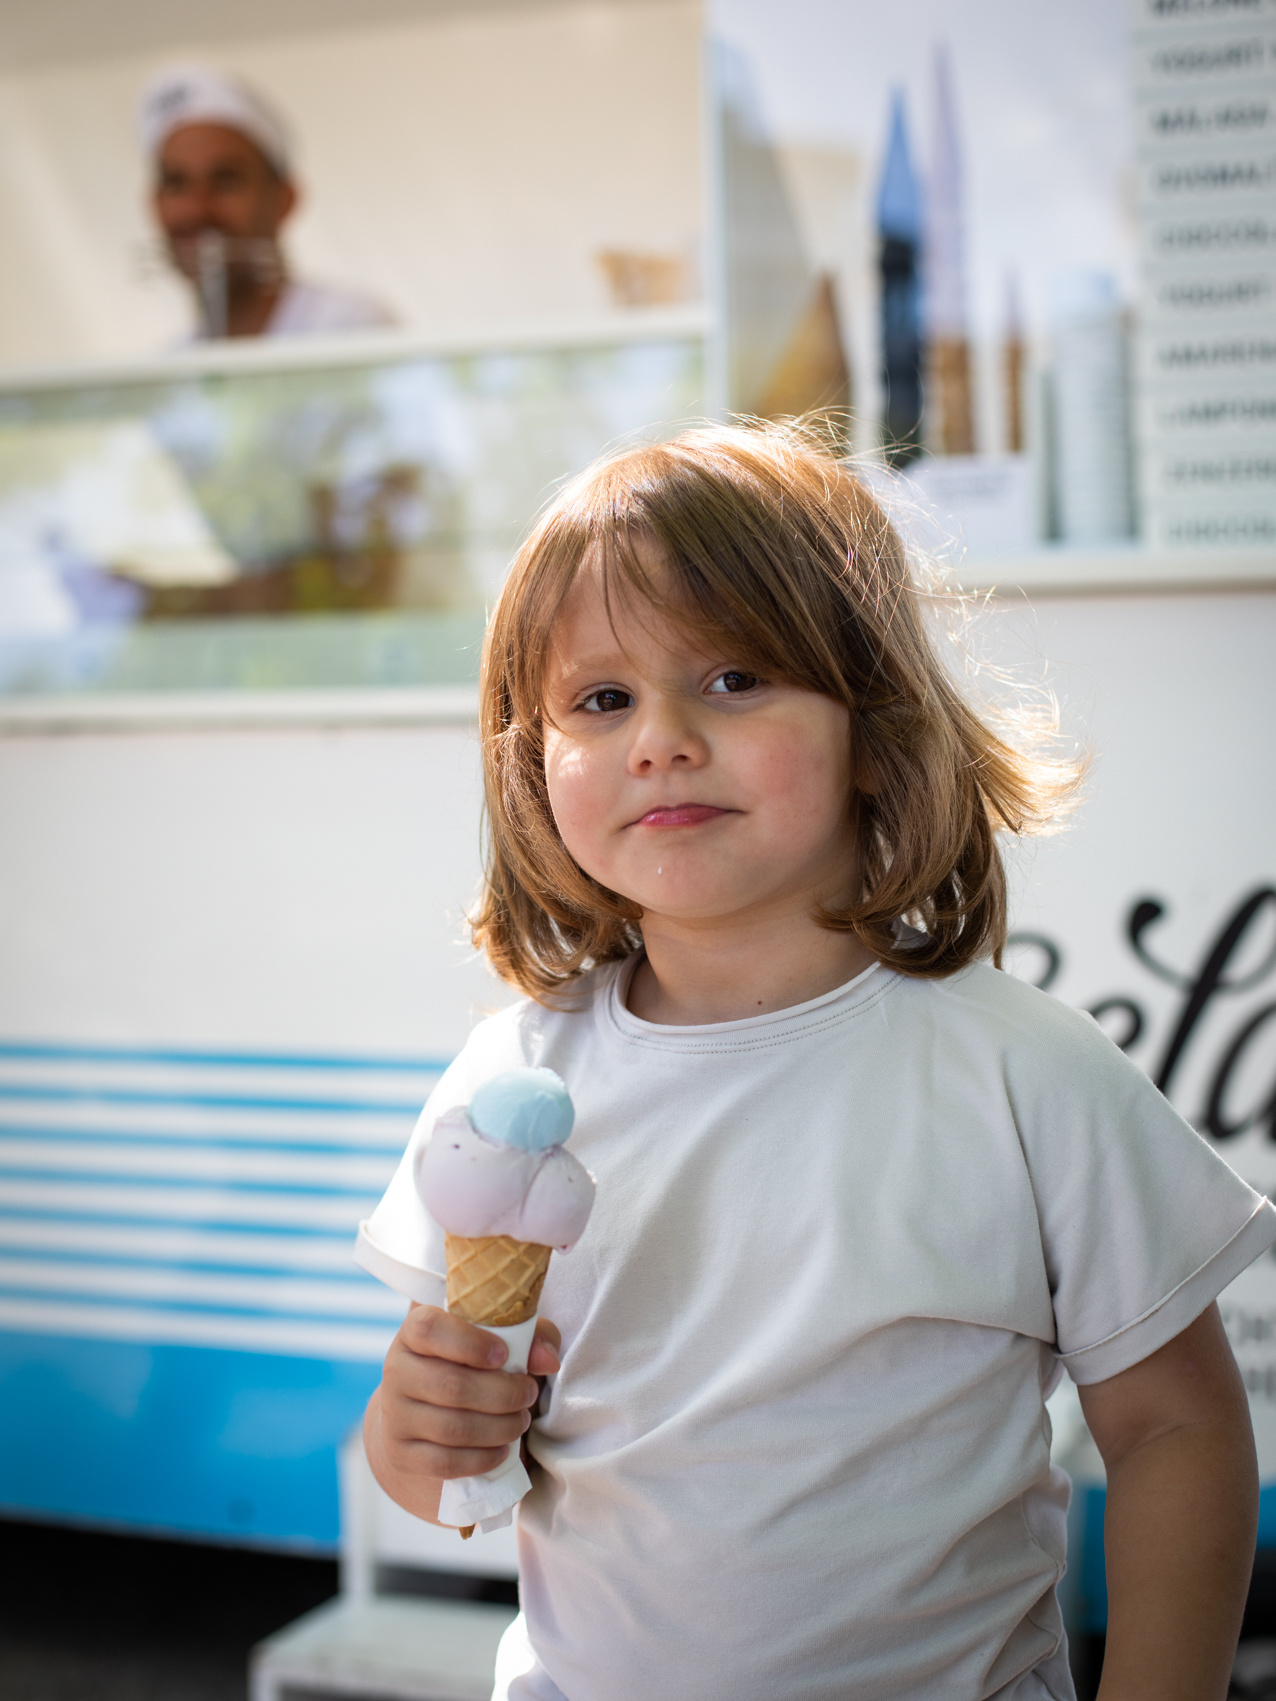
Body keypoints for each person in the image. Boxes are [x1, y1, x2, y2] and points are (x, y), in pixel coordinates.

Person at [354, 421, 1274, 1701]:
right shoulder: (507, 1087)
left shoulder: (1022, 1073)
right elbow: (453, 1482)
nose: (661, 737)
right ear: (530, 766)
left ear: (874, 728)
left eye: (733, 678)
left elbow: (1177, 1431)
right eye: (601, 699)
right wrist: (417, 1434)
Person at [139, 64, 395, 340]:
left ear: (284, 200)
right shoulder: (172, 368)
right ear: (154, 204)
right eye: (176, 184)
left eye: (226, 181)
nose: (197, 209)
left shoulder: (352, 329)